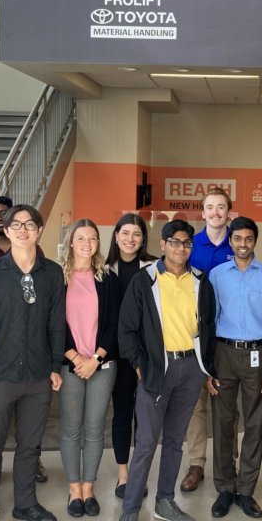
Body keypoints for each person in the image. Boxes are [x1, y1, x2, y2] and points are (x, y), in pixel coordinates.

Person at [115, 220, 216, 521]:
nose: (181, 249)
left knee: (175, 440)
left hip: (190, 369)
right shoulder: (145, 280)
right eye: (175, 242)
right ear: (163, 244)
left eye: (187, 243)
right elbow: (127, 328)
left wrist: (205, 368)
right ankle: (130, 509)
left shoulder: (201, 281)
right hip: (157, 370)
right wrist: (139, 364)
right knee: (146, 442)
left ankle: (164, 501)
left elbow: (209, 327)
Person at [0, 204, 65, 521]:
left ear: (39, 230)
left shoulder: (52, 273)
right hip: (0, 374)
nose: (23, 230)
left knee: (30, 445)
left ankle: (25, 504)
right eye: (16, 224)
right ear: (6, 231)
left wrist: (55, 365)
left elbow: (56, 324)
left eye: (30, 224)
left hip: (39, 375)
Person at [206, 216, 262, 520]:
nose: (242, 245)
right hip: (223, 354)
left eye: (248, 239)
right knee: (223, 424)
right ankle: (225, 488)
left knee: (254, 424)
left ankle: (246, 490)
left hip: (257, 356)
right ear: (230, 241)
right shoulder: (216, 275)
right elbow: (208, 321)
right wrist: (208, 366)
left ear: (255, 242)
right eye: (237, 239)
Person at [58, 219, 119, 518]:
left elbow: (114, 323)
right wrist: (75, 357)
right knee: (71, 429)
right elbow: (52, 324)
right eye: (80, 237)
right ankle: (74, 490)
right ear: (71, 241)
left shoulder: (108, 278)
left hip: (102, 365)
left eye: (92, 238)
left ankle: (89, 488)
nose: (86, 243)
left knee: (95, 430)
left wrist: (95, 358)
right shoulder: (57, 277)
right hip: (70, 364)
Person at [181, 186, 235, 493]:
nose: (215, 212)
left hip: (227, 338)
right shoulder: (192, 246)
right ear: (202, 213)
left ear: (229, 212)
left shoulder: (238, 243)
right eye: (210, 208)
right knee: (195, 404)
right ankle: (197, 462)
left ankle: (228, 465)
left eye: (221, 207)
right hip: (194, 336)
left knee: (227, 406)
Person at [104, 214, 156, 499]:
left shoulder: (153, 268)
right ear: (116, 235)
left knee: (145, 416)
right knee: (121, 413)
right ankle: (123, 474)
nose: (130, 239)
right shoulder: (103, 268)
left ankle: (139, 472)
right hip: (114, 353)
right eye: (125, 233)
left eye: (136, 234)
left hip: (145, 353)